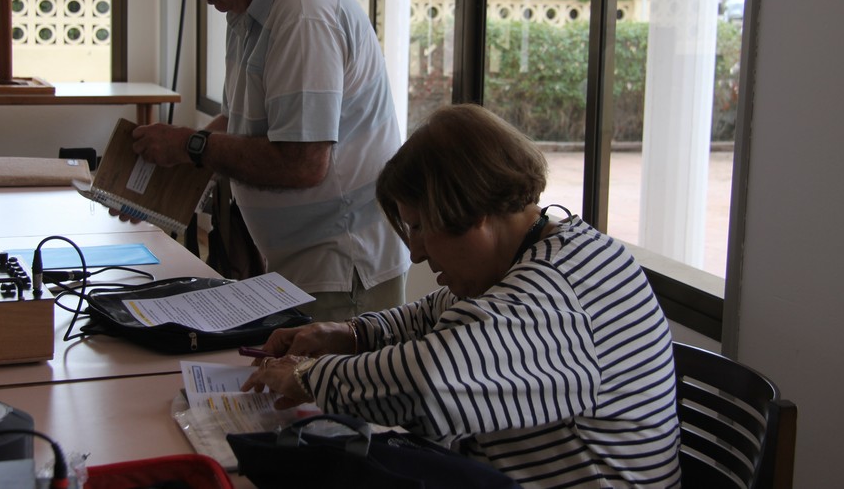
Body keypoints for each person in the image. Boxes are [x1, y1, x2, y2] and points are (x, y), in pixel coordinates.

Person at [241, 104, 682, 487]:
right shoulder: (545, 251)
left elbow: (431, 381)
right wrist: (349, 334)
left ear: (474, 213)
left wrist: (308, 377)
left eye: (420, 227)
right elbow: (437, 315)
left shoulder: (553, 297)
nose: (416, 253)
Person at [127, 0, 410, 322]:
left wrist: (190, 146)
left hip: (342, 270)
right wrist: (171, 168)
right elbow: (241, 122)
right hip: (300, 266)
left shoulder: (302, 11)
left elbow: (303, 162)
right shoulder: (249, 6)